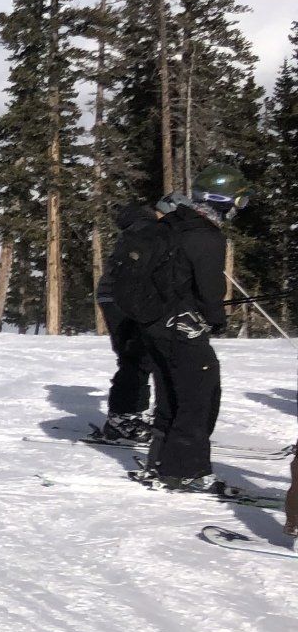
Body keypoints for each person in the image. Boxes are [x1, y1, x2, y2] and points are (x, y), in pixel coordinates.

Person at [136, 166, 246, 491]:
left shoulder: (173, 222)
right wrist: (217, 319)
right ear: (222, 201)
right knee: (200, 394)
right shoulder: (207, 236)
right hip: (181, 328)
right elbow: (211, 290)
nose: (239, 210)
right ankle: (187, 471)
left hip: (154, 324)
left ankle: (161, 460)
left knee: (171, 392)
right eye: (239, 202)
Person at [95, 202, 166, 441]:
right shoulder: (146, 227)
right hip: (121, 298)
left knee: (141, 356)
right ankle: (122, 417)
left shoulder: (140, 227)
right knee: (135, 356)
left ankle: (131, 413)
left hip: (124, 296)